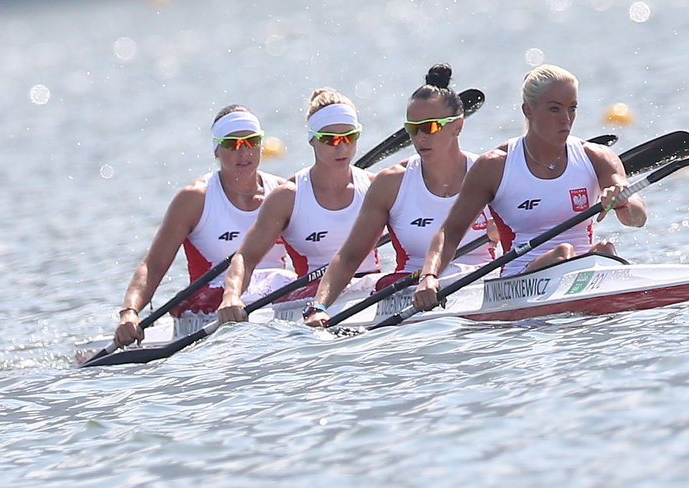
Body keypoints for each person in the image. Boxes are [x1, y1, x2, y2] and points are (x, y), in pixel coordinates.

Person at [411, 64, 646, 312]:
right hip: (519, 283)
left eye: (572, 108)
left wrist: (622, 200)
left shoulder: (597, 156)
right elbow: (450, 232)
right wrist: (429, 277)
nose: (566, 119)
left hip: (586, 273)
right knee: (562, 252)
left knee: (604, 249)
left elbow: (638, 218)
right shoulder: (495, 165)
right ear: (529, 110)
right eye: (554, 109)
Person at [303, 64, 495, 327]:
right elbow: (349, 257)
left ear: (458, 125)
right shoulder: (392, 183)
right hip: (412, 287)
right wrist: (319, 306)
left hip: (483, 278)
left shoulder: (489, 171)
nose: (419, 137)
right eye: (413, 129)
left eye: (429, 127)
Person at [112, 105, 289, 346]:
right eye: (232, 144)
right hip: (211, 309)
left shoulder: (282, 193)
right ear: (216, 150)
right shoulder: (195, 199)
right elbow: (153, 266)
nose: (243, 152)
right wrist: (130, 312)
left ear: (260, 144)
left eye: (250, 142)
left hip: (278, 298)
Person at [217, 88, 379, 323]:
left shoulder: (376, 187)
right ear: (312, 138)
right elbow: (245, 258)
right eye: (331, 140)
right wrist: (231, 296)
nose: (342, 147)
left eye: (349, 137)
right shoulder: (288, 197)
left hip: (369, 290)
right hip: (310, 300)